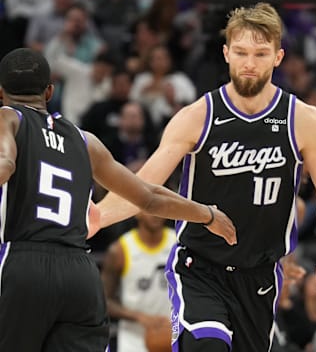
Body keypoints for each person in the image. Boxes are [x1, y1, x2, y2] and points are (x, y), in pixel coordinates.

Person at [96, 3, 316, 352]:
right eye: (241, 52)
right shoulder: (197, 116)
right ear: (226, 53)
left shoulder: (303, 120)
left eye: (261, 54)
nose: (249, 63)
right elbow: (143, 185)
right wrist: (98, 217)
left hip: (260, 276)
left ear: (278, 57)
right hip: (200, 267)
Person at [0, 48, 235, 352]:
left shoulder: (7, 118)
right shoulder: (85, 141)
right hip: (80, 275)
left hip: (22, 265)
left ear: (1, 93)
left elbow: (5, 161)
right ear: (49, 92)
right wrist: (207, 214)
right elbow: (148, 196)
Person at [101, 212, 175, 352]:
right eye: (149, 208)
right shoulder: (119, 250)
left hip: (172, 333)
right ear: (136, 212)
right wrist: (140, 317)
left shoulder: (177, 244)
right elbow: (104, 301)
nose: (155, 213)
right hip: (133, 338)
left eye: (159, 208)